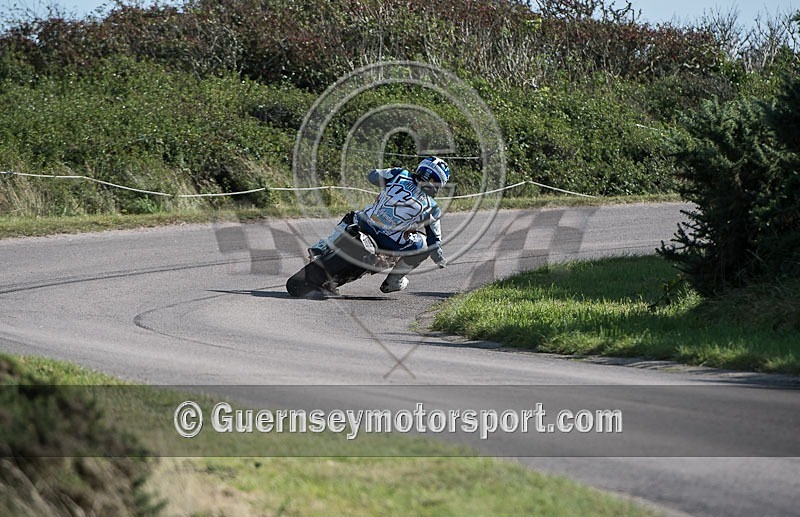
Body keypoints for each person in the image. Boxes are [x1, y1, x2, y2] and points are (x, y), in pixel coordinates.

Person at [308, 156, 450, 293]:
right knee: (424, 245)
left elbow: (373, 176)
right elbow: (434, 241)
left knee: (353, 216)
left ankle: (323, 246)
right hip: (391, 242)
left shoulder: (400, 174)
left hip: (366, 223)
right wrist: (439, 259)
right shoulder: (432, 207)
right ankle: (394, 280)